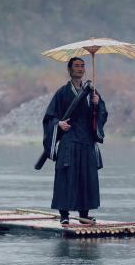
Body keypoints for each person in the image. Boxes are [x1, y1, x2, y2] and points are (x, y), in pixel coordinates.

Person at [41, 57, 108, 224]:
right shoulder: (62, 93)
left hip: (86, 141)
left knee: (86, 177)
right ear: (69, 70)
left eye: (82, 66)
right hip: (69, 141)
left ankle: (84, 215)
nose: (80, 68)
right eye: (76, 66)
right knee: (65, 176)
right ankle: (64, 216)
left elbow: (101, 114)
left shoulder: (92, 93)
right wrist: (59, 124)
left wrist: (96, 104)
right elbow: (49, 117)